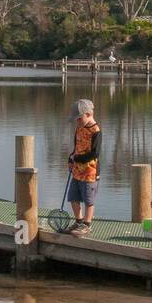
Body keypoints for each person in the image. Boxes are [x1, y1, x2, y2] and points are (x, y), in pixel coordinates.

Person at [67, 98, 101, 237]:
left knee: (88, 199)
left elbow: (94, 154)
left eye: (79, 118)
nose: (78, 122)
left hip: (90, 172)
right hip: (76, 171)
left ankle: (87, 225)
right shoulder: (79, 128)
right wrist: (71, 158)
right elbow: (76, 147)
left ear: (88, 114)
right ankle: (78, 221)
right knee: (73, 197)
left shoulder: (96, 131)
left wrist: (78, 159)